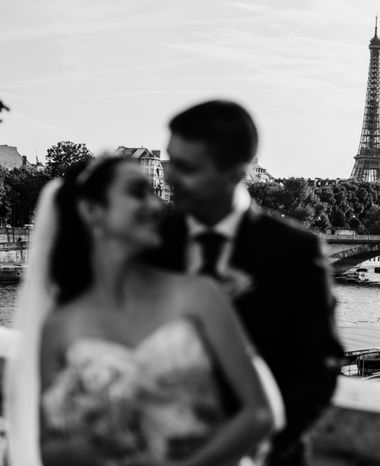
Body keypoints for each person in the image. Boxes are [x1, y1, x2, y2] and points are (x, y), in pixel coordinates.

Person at [5, 157, 284, 465]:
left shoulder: (200, 295)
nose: (155, 206)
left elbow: (260, 412)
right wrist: (100, 438)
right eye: (137, 192)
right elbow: (49, 448)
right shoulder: (60, 326)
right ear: (91, 211)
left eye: (152, 192)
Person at [152, 100, 344, 466]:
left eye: (186, 167)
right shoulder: (152, 240)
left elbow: (318, 369)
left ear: (235, 172)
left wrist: (256, 450)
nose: (170, 177)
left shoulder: (295, 251)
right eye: (169, 161)